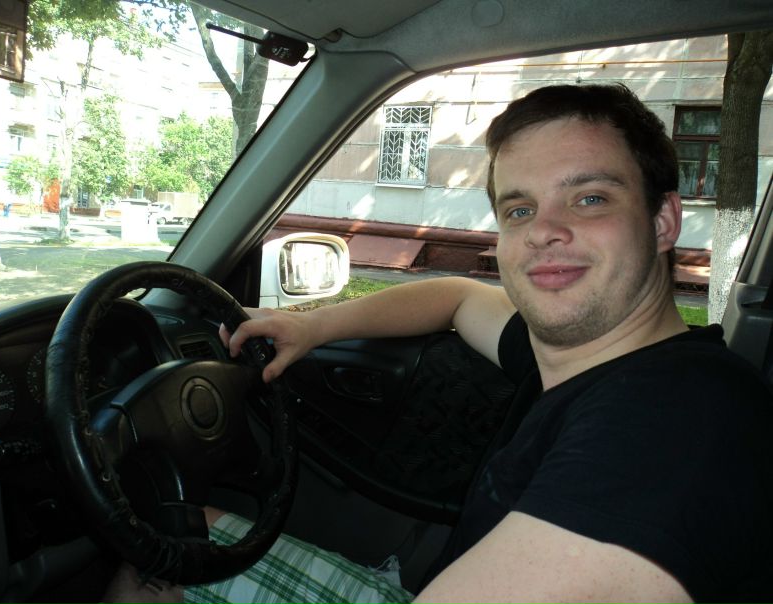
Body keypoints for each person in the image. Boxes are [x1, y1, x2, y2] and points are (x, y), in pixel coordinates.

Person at [105, 83, 773, 603]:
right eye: (518, 209)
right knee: (183, 534)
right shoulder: (591, 357)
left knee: (157, 564)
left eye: (590, 199)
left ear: (663, 221)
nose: (543, 230)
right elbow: (457, 297)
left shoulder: (677, 414)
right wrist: (311, 326)